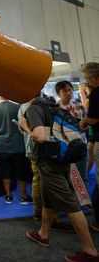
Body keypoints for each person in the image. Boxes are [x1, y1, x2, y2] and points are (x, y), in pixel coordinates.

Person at [25, 90, 99, 262]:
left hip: (49, 162)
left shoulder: (34, 108)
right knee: (48, 199)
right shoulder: (52, 106)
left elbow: (40, 137)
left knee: (70, 203)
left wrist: (24, 126)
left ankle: (90, 251)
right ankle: (43, 234)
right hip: (62, 158)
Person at [0, 96, 33, 205]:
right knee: (21, 171)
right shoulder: (18, 107)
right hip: (18, 145)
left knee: (5, 171)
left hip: (2, 146)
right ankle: (24, 197)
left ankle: (8, 196)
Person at [56, 80, 89, 190]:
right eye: (64, 91)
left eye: (70, 90)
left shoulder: (79, 106)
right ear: (58, 93)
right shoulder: (55, 109)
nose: (68, 93)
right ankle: (72, 204)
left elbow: (87, 127)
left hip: (80, 145)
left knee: (82, 176)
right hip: (64, 148)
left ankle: (85, 203)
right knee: (66, 177)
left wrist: (76, 119)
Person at [79, 63, 99, 233]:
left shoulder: (96, 94)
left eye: (87, 79)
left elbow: (92, 119)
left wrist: (83, 122)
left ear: (93, 78)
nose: (87, 83)